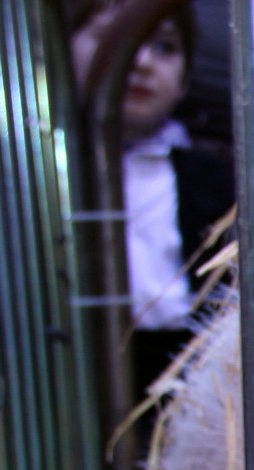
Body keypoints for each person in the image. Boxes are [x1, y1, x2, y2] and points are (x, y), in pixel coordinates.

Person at [68, 0, 235, 408]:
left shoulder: (215, 179)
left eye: (164, 47)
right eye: (111, 39)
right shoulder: (41, 178)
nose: (140, 61)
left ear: (186, 78)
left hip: (187, 375)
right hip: (73, 374)